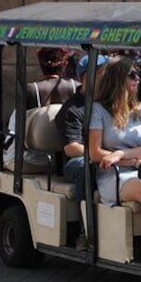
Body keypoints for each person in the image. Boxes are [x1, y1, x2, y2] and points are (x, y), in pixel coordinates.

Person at [88, 56, 141, 237]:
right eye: (132, 75)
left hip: (140, 169)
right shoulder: (99, 110)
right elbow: (95, 152)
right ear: (117, 79)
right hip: (113, 175)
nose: (137, 79)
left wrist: (120, 154)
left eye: (138, 74)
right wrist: (131, 160)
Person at [55, 54, 109, 204]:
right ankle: (85, 222)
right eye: (104, 73)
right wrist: (101, 154)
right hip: (80, 160)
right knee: (87, 168)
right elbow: (71, 148)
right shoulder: (72, 109)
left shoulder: (111, 103)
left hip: (108, 155)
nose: (108, 79)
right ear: (87, 77)